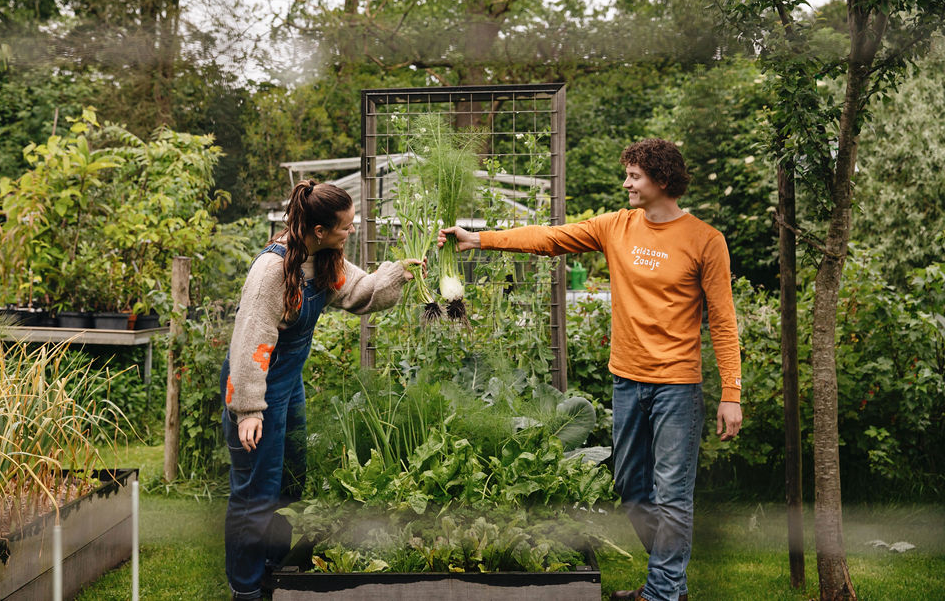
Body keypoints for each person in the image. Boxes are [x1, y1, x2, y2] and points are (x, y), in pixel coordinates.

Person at [439, 138, 742, 601]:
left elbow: (722, 321)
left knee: (673, 495)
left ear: (662, 181)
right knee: (632, 489)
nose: (626, 183)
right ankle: (670, 584)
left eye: (634, 176)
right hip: (626, 380)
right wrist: (477, 239)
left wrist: (731, 393)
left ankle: (661, 593)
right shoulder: (615, 227)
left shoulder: (705, 240)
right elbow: (549, 238)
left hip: (677, 388)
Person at [221, 179, 423, 600]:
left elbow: (359, 293)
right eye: (346, 226)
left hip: (288, 386)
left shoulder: (324, 260)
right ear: (318, 230)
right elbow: (250, 342)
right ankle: (246, 589)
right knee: (256, 493)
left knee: (289, 483)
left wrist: (397, 273)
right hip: (255, 389)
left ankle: (274, 571)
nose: (351, 230)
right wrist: (248, 410)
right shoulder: (272, 271)